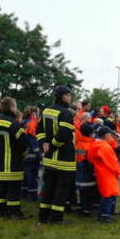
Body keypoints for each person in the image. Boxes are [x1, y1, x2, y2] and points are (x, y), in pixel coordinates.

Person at [37, 86, 76, 224]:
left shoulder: (46, 110)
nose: (70, 98)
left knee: (48, 188)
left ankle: (43, 216)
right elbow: (64, 134)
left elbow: (39, 129)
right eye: (69, 95)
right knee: (62, 190)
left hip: (49, 159)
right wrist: (52, 145)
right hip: (63, 159)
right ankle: (56, 218)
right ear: (64, 96)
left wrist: (44, 144)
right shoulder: (66, 113)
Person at [0, 97, 29, 219]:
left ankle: (1, 211)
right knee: (14, 189)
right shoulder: (14, 124)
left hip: (1, 162)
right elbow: (24, 143)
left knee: (2, 188)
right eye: (15, 106)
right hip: (13, 162)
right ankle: (14, 212)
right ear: (11, 107)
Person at [89, 126, 120, 223]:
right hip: (108, 172)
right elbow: (112, 161)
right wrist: (119, 172)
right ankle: (105, 215)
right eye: (110, 135)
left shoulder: (94, 144)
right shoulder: (105, 147)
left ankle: (104, 213)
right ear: (106, 135)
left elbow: (90, 158)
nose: (111, 136)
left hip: (100, 171)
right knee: (109, 194)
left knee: (105, 193)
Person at [75, 122, 98, 217]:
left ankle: (82, 208)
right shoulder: (89, 145)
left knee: (82, 191)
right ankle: (86, 210)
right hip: (88, 172)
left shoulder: (79, 143)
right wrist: (94, 172)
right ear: (90, 133)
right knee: (88, 193)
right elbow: (91, 161)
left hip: (79, 171)